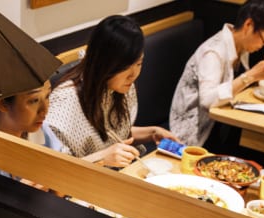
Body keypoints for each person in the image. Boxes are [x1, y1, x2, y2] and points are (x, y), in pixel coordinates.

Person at [45, 15, 179, 168]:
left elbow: (113, 135)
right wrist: (102, 159)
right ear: (104, 62)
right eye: (125, 66)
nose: (133, 74)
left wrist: (152, 133)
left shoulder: (120, 86)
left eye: (139, 63)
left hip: (118, 173)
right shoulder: (65, 102)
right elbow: (55, 168)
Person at [169, 0, 264, 148]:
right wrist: (250, 75)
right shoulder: (213, 52)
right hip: (192, 136)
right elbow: (208, 101)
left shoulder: (241, 47)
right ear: (248, 25)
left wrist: (260, 75)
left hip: (219, 128)